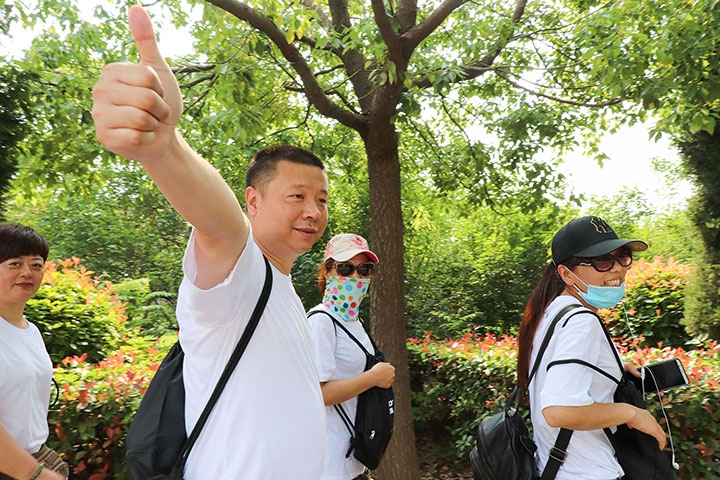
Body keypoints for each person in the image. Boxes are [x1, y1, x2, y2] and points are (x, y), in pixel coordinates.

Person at [91, 5, 328, 479]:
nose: (313, 211)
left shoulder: (284, 289)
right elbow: (221, 226)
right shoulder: (242, 273)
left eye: (321, 199)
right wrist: (165, 149)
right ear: (253, 201)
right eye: (297, 196)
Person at [517, 215, 667, 479]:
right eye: (601, 261)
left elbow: (555, 369)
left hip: (556, 469)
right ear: (566, 274)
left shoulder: (552, 312)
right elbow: (558, 411)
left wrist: (613, 366)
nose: (617, 268)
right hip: (589, 472)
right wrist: (632, 414)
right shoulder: (581, 321)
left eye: (623, 257)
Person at [306, 234, 395, 480]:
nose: (355, 276)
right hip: (329, 466)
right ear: (327, 271)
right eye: (345, 268)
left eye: (364, 269)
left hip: (353, 462)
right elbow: (320, 394)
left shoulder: (353, 322)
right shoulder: (321, 322)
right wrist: (373, 377)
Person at [0, 223, 68, 480]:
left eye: (36, 264)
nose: (27, 273)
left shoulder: (31, 331)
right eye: (14, 263)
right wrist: (34, 473)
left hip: (34, 459)